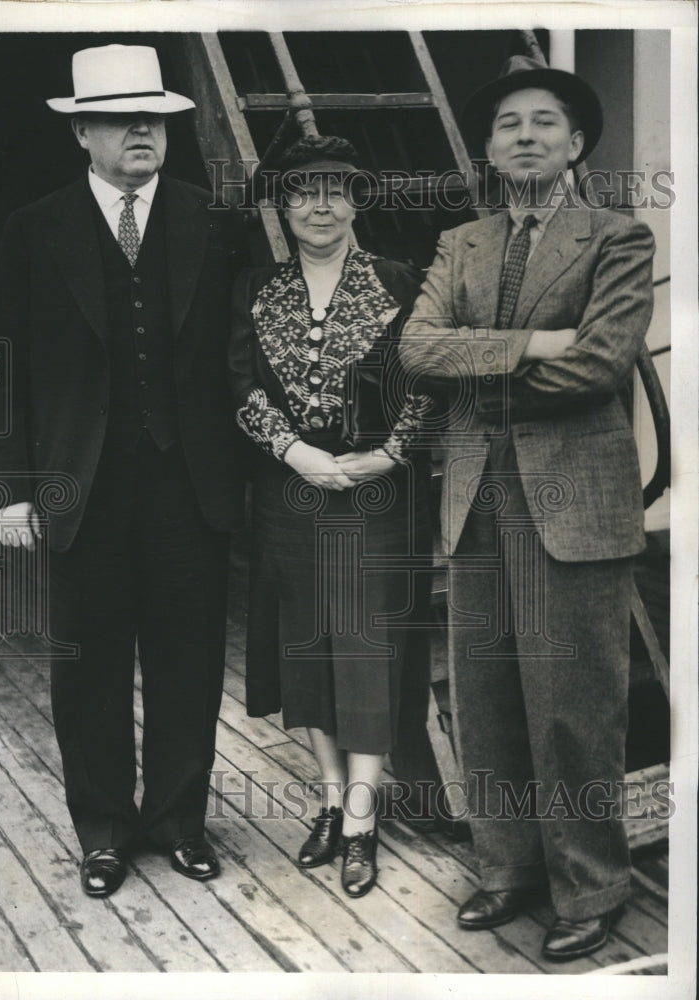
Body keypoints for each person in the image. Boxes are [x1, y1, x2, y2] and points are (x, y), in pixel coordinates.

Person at [399, 56, 655, 960]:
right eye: (508, 124)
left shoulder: (616, 237)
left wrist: (483, 364)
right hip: (474, 496)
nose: (526, 136)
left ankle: (592, 886)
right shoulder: (460, 243)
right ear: (488, 147)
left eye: (545, 122)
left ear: (575, 142)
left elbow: (598, 366)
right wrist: (530, 343)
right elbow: (416, 349)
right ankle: (507, 869)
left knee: (573, 703)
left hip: (572, 499)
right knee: (487, 694)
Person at [0, 44, 246, 897]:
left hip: (187, 482)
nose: (143, 129)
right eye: (122, 118)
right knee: (87, 666)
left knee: (189, 658)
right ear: (83, 134)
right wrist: (9, 485)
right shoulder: (36, 226)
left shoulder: (212, 220)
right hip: (78, 483)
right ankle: (102, 830)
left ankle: (178, 820)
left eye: (156, 117)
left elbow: (241, 361)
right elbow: (5, 362)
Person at [228, 136, 437, 898]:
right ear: (283, 206)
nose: (321, 204)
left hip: (379, 491)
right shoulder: (254, 287)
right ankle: (326, 796)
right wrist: (292, 451)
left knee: (367, 649)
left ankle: (360, 819)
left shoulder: (399, 281)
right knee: (308, 648)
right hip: (292, 491)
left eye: (336, 190)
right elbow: (240, 385)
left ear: (355, 202)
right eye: (304, 191)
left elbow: (428, 379)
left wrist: (390, 452)